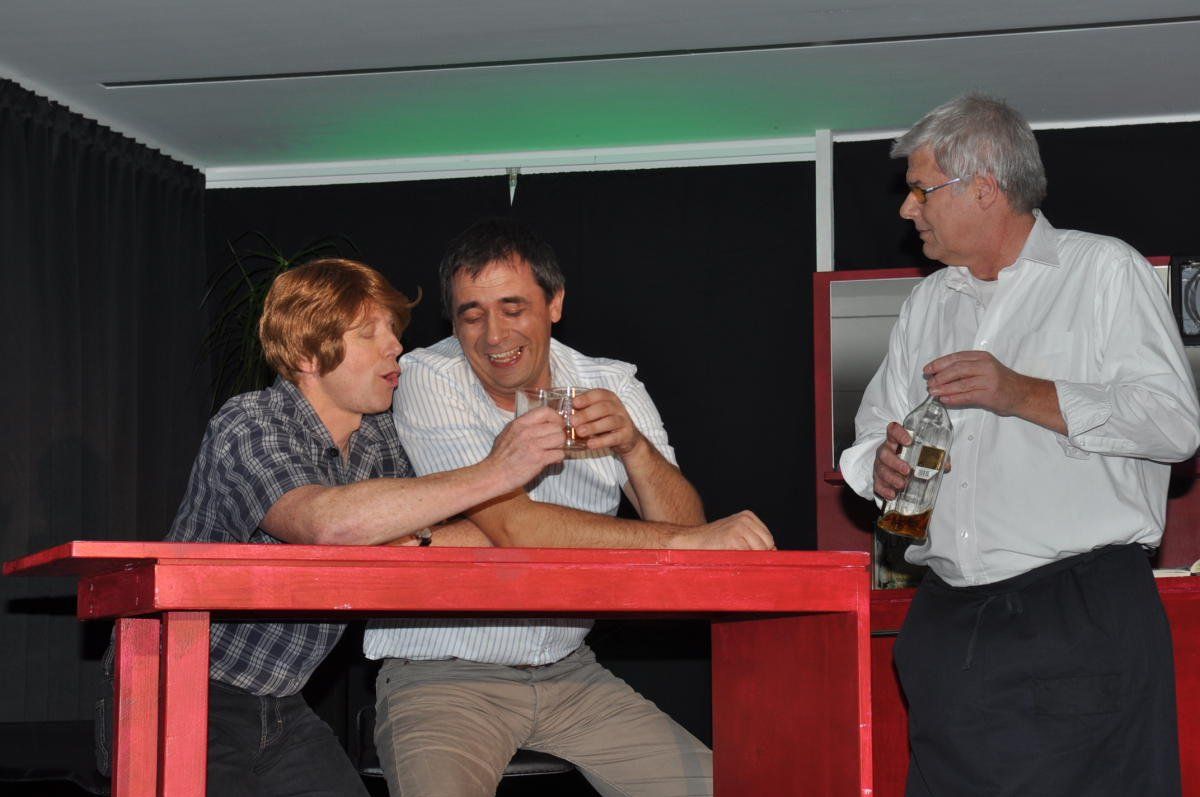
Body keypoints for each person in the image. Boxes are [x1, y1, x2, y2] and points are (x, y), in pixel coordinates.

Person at [839, 93, 1200, 796]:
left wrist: (1021, 393)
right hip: (949, 618)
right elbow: (869, 434)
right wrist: (877, 465)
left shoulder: (1102, 271)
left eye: (921, 190)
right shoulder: (928, 303)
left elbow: (1174, 425)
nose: (907, 210)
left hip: (1075, 614)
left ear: (984, 187)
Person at [100, 258, 568, 796]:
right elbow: (325, 524)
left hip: (281, 704)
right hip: (176, 690)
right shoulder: (249, 422)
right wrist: (495, 473)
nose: (395, 346)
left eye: (393, 329)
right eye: (369, 333)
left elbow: (469, 533)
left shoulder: (378, 439)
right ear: (306, 355)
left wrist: (410, 532)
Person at [364, 218, 774, 797]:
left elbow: (687, 537)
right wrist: (684, 542)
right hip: (441, 676)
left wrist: (635, 448)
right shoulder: (431, 377)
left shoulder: (610, 383)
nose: (493, 334)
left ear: (555, 303)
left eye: (513, 308)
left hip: (569, 671)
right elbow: (516, 527)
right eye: (471, 315)